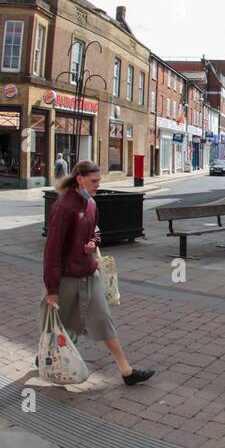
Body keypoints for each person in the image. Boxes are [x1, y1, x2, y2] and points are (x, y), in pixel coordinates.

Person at [43, 159, 154, 387]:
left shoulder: (91, 204)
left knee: (103, 319)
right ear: (79, 179)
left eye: (99, 180)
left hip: (89, 274)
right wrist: (52, 289)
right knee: (62, 325)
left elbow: (95, 230)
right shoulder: (64, 208)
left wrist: (93, 242)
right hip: (66, 278)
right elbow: (52, 250)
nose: (97, 185)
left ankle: (126, 371)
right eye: (93, 181)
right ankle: (43, 357)